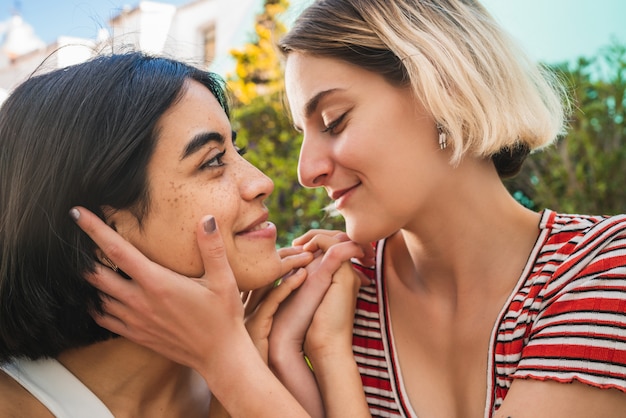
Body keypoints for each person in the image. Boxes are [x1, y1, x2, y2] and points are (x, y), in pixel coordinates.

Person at [74, 0, 626, 417]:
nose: (304, 170)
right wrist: (312, 355)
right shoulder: (338, 298)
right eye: (303, 134)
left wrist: (225, 360)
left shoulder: (604, 269)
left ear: (444, 89)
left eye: (334, 121)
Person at [0, 50, 370, 417]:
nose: (261, 182)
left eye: (236, 150)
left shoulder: (262, 355)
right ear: (103, 236)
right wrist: (230, 363)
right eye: (212, 161)